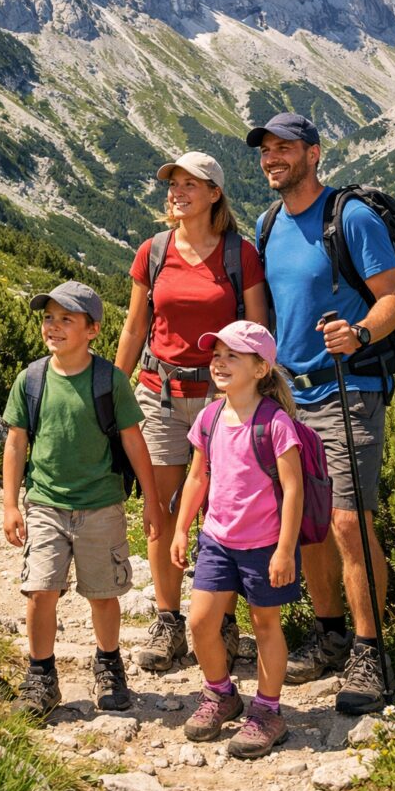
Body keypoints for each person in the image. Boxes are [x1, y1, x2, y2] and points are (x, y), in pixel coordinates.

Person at [246, 113, 395, 715]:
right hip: (290, 396)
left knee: (347, 521)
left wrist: (360, 332)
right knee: (310, 519)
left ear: (314, 153)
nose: (272, 159)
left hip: (349, 386)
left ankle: (372, 652)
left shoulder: (351, 217)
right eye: (266, 151)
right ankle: (330, 634)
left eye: (284, 148)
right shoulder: (269, 225)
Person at [115, 152, 267, 671]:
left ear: (214, 194)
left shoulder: (238, 255)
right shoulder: (152, 252)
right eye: (173, 184)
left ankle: (219, 618)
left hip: (222, 401)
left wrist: (253, 397)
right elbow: (135, 329)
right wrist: (112, 391)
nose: (177, 191)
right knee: (159, 511)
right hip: (159, 394)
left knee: (219, 512)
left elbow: (257, 335)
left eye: (189, 184)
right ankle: (167, 619)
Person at [2, 280, 163, 718]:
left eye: (66, 319)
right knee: (39, 590)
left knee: (103, 593)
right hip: (45, 505)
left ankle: (109, 663)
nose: (53, 327)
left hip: (102, 505)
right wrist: (11, 504)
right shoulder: (31, 379)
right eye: (48, 317)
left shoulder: (110, 381)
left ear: (92, 330)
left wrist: (150, 499)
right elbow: (16, 442)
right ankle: (41, 675)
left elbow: (133, 441)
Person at [171, 320, 303, 759]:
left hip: (265, 545)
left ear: (261, 368)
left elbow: (294, 491)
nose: (220, 363)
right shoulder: (209, 418)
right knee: (201, 622)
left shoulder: (276, 423)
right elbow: (197, 477)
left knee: (265, 625)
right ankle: (221, 694)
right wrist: (181, 527)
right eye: (217, 355)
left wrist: (285, 549)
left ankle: (268, 711)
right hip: (217, 541)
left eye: (233, 356)